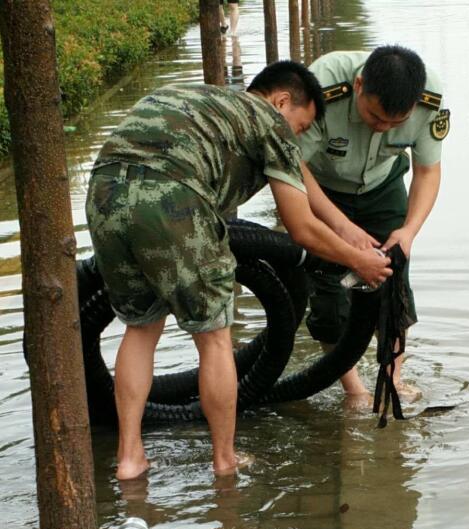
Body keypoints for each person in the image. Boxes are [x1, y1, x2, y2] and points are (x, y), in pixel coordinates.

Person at [85, 60, 392, 480]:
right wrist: (358, 261)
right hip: (175, 199)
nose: (297, 139)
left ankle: (130, 458)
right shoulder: (271, 122)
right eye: (301, 128)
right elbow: (300, 229)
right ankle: (225, 460)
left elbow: (306, 192)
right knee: (214, 340)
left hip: (104, 193)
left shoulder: (202, 99)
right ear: (282, 101)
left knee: (141, 329)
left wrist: (350, 234)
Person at [298, 46, 450, 399]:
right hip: (322, 189)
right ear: (359, 84)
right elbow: (293, 168)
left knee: (393, 282)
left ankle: (392, 380)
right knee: (330, 297)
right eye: (375, 116)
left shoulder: (430, 98)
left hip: (383, 186)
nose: (382, 128)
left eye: (395, 124)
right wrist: (340, 226)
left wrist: (409, 231)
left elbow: (428, 171)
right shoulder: (322, 87)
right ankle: (354, 392)